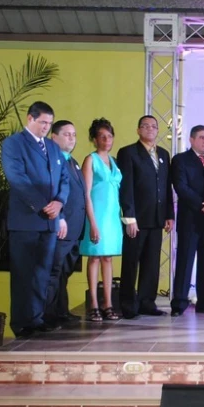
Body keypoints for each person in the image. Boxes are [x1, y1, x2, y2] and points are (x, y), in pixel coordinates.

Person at [1, 101, 70, 338]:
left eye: (49, 123)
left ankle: (36, 318)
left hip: (49, 221)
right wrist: (43, 205)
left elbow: (64, 179)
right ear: (29, 119)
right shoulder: (14, 144)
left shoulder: (52, 147)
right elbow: (17, 178)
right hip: (26, 220)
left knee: (43, 272)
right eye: (42, 122)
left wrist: (59, 203)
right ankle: (21, 323)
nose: (46, 127)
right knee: (23, 273)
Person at [117, 115, 175, 319]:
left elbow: (167, 186)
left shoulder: (163, 154)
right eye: (145, 126)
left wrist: (169, 214)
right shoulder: (128, 153)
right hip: (137, 219)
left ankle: (146, 302)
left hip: (157, 217)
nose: (150, 129)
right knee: (132, 261)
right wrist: (129, 217)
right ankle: (127, 304)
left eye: (153, 126)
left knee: (152, 262)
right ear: (138, 130)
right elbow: (127, 187)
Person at [170, 125, 204, 316]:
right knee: (185, 261)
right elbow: (181, 187)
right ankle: (179, 303)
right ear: (191, 140)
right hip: (190, 219)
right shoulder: (180, 160)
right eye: (202, 137)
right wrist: (203, 205)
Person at [79, 118, 123, 322]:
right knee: (94, 257)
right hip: (96, 216)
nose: (107, 140)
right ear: (94, 139)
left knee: (108, 258)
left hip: (112, 217)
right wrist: (93, 223)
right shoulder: (91, 160)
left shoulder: (114, 161)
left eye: (110, 136)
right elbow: (86, 193)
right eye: (102, 136)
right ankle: (94, 304)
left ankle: (109, 304)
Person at [44, 120, 86, 326]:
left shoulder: (72, 161)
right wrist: (59, 219)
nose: (72, 138)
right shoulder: (51, 161)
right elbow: (50, 193)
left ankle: (61, 311)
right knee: (54, 272)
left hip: (75, 229)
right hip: (61, 227)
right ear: (54, 137)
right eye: (67, 134)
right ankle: (47, 316)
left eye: (74, 134)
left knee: (64, 273)